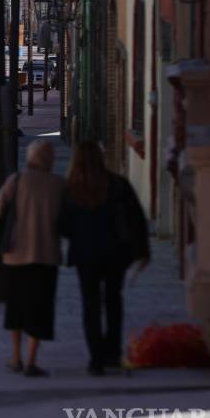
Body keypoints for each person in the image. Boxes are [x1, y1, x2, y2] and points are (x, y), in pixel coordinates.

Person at [59, 141, 150, 376]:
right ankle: (112, 352)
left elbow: (63, 226)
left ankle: (95, 359)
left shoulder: (70, 190)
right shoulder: (118, 184)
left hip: (85, 255)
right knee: (113, 301)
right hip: (115, 252)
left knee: (90, 305)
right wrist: (141, 250)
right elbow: (136, 218)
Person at [0, 139, 64, 377]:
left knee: (16, 308)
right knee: (39, 309)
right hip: (46, 256)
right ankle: (31, 359)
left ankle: (15, 356)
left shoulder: (16, 181)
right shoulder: (59, 185)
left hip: (15, 256)